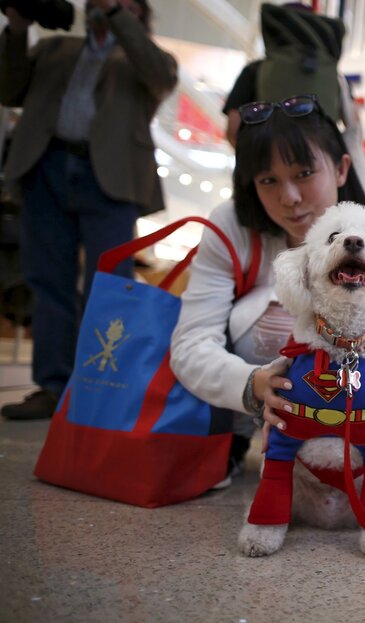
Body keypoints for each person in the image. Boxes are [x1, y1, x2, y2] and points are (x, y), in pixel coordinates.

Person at [169, 95, 365, 486]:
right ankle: (235, 440)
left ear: (341, 169)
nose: (289, 197)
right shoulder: (230, 227)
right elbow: (190, 343)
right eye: (268, 180)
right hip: (248, 412)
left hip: (355, 422)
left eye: (304, 173)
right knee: (265, 314)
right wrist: (253, 384)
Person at [0, 0, 178, 420]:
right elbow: (8, 89)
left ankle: (102, 388)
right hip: (45, 169)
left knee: (111, 287)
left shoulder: (146, 60)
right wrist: (17, 27)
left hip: (111, 182)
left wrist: (120, 17)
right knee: (48, 282)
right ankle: (52, 386)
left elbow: (159, 74)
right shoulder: (55, 49)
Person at [221, 2, 365, 200]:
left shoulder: (257, 70)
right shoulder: (334, 77)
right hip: (321, 179)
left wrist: (261, 161)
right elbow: (355, 126)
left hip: (267, 180)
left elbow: (233, 128)